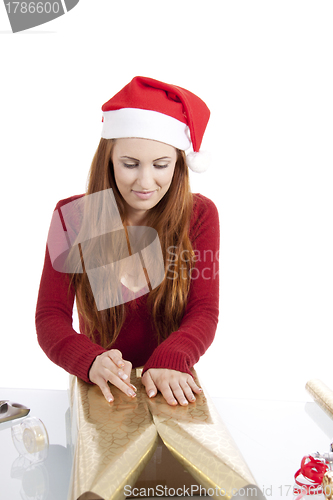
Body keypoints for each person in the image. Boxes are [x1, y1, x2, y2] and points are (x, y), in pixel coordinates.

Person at [35, 76, 220, 407]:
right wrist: (90, 360)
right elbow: (50, 316)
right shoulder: (71, 217)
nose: (145, 182)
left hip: (170, 385)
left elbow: (203, 310)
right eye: (130, 164)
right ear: (109, 159)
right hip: (101, 390)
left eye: (161, 165)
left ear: (179, 164)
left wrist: (171, 356)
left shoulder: (200, 216)